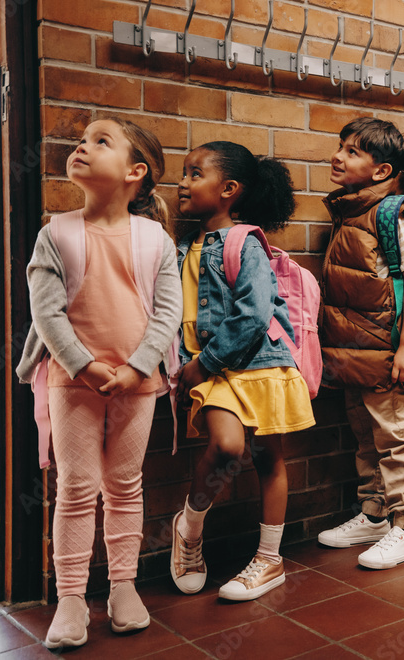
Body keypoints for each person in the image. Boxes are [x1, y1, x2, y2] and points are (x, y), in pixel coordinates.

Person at [16, 118, 182, 648]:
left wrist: (138, 366)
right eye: (82, 140)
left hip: (138, 381)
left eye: (100, 141)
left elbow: (167, 312)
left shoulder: (154, 237)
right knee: (77, 488)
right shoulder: (56, 232)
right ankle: (70, 598)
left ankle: (123, 586)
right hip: (72, 380)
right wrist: (84, 365)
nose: (82, 147)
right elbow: (47, 313)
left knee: (125, 484)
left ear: (135, 173)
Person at [170, 141, 315, 601]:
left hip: (258, 363)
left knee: (269, 460)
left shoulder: (244, 241)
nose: (183, 181)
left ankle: (270, 561)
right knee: (228, 447)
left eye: (195, 174)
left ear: (228, 189)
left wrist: (203, 364)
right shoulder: (180, 247)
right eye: (185, 172)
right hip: (215, 371)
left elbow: (254, 313)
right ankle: (189, 528)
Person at [316, 117, 404, 568]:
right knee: (365, 435)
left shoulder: (390, 214)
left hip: (388, 349)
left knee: (395, 437)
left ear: (381, 171)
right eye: (339, 146)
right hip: (355, 351)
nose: (338, 156)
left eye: (352, 151)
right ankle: (375, 515)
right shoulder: (349, 210)